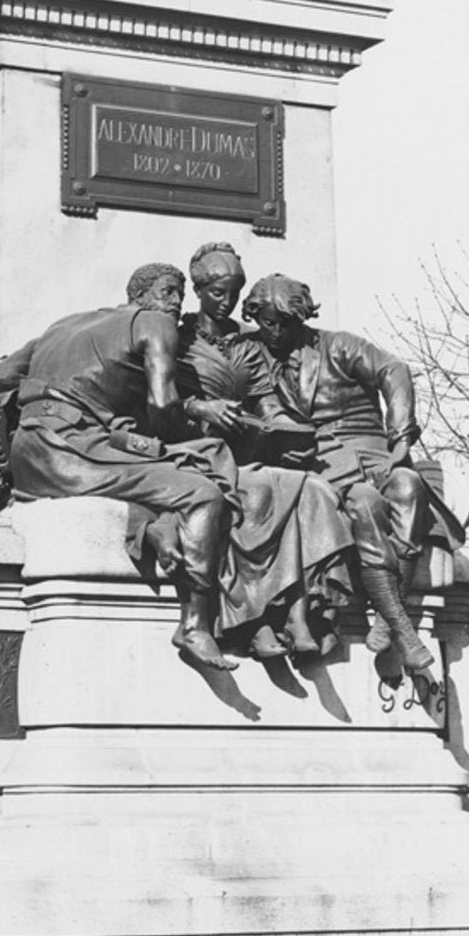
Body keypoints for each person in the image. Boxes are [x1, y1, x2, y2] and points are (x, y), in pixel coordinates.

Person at [0, 262, 241, 672]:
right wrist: (180, 426)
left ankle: (153, 526)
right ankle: (194, 625)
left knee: (148, 478)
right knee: (203, 491)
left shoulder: (64, 324)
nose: (176, 303)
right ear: (139, 295)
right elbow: (163, 406)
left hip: (28, 456)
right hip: (73, 451)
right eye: (167, 291)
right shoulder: (155, 324)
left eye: (180, 294)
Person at [242, 274, 463, 671]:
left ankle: (387, 618)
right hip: (321, 462)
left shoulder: (338, 345)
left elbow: (394, 370)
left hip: (373, 451)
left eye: (283, 323)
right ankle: (400, 625)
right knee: (364, 503)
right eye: (266, 323)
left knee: (408, 486)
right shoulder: (253, 355)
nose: (273, 332)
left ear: (301, 318)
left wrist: (400, 437)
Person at [175, 242, 354, 658]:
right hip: (196, 451)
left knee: (313, 488)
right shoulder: (178, 339)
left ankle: (299, 615)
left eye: (234, 293)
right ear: (198, 291)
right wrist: (199, 408)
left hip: (246, 451)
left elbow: (267, 403)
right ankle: (253, 622)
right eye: (217, 292)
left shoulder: (246, 346)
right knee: (253, 494)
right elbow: (160, 402)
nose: (227, 302)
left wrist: (289, 430)